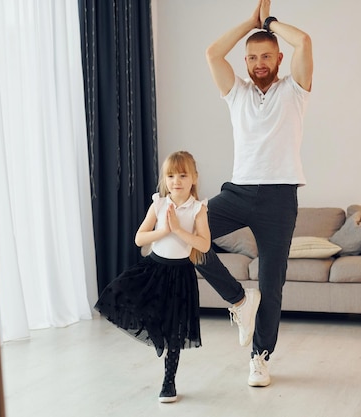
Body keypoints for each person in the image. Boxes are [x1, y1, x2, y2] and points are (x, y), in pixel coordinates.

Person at [197, 0, 313, 388]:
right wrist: (248, 23)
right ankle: (239, 301)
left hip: (280, 198)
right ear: (245, 61)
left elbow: (306, 42)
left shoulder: (294, 90)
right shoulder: (236, 93)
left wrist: (271, 23)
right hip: (239, 191)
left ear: (278, 57)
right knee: (189, 237)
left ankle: (260, 358)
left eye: (265, 56)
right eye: (251, 57)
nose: (258, 63)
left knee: (272, 283)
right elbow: (213, 53)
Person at [94, 151, 211, 403]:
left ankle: (169, 382)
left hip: (181, 275)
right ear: (164, 179)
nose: (176, 181)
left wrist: (178, 229)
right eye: (170, 175)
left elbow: (203, 245)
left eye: (182, 175)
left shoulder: (198, 209)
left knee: (176, 332)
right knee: (120, 294)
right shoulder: (158, 204)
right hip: (154, 269)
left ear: (194, 179)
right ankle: (156, 334)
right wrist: (164, 230)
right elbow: (139, 238)